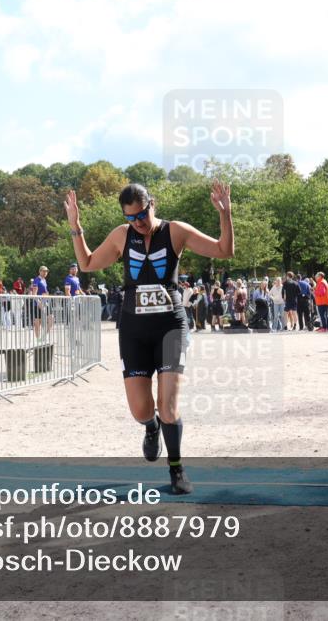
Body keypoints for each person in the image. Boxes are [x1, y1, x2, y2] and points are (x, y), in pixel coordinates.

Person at [64, 181, 234, 495]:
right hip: (133, 331)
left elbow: (224, 250)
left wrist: (226, 215)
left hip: (170, 328)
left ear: (152, 204)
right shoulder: (121, 236)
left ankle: (177, 469)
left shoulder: (176, 232)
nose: (138, 223)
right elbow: (87, 262)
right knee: (141, 410)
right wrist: (76, 227)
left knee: (168, 407)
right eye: (131, 218)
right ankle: (150, 427)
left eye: (142, 215)